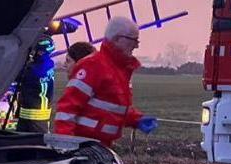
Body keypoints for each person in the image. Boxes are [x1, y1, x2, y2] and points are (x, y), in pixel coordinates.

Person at [53, 16, 157, 147]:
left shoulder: (119, 69)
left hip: (99, 146)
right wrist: (65, 144)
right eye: (133, 40)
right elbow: (67, 108)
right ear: (117, 39)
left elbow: (112, 107)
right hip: (83, 146)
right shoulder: (93, 66)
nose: (136, 45)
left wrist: (136, 119)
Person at [14, 32, 57, 133]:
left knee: (34, 143)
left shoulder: (33, 69)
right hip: (38, 114)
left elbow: (17, 77)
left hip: (33, 115)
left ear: (40, 52)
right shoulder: (49, 64)